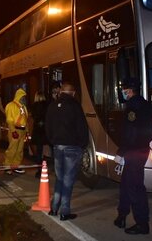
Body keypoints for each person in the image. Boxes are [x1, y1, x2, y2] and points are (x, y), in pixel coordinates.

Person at [114, 77, 152, 235]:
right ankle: (122, 216)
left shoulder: (133, 106)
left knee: (135, 187)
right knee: (126, 184)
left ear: (129, 90)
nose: (123, 92)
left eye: (124, 89)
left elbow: (130, 132)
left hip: (134, 151)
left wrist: (122, 151)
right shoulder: (144, 104)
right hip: (141, 149)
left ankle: (142, 224)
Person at [46, 82, 88, 221]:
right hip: (72, 147)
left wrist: (53, 141)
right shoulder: (75, 106)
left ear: (61, 91)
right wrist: (82, 144)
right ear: (73, 93)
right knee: (68, 180)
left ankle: (53, 208)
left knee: (59, 178)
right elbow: (82, 127)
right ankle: (65, 211)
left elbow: (48, 126)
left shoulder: (53, 105)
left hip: (57, 146)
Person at [3, 88, 29, 174]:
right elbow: (9, 120)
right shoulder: (11, 106)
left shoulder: (24, 107)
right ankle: (7, 166)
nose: (24, 99)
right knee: (12, 149)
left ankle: (16, 166)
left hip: (22, 131)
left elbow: (26, 120)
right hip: (15, 131)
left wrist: (26, 132)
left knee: (20, 150)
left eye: (25, 98)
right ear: (19, 97)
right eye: (23, 97)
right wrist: (13, 131)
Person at [30, 91, 48, 178]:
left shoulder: (34, 106)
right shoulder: (47, 105)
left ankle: (39, 169)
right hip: (46, 130)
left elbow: (33, 117)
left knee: (39, 151)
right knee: (51, 147)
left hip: (38, 131)